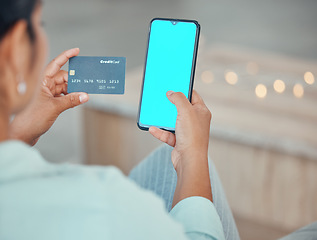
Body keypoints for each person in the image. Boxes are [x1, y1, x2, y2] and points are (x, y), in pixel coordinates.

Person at [1, 1, 314, 240]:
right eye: (39, 23)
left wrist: (16, 134)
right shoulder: (100, 198)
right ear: (15, 47)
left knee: (166, 162)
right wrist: (193, 158)